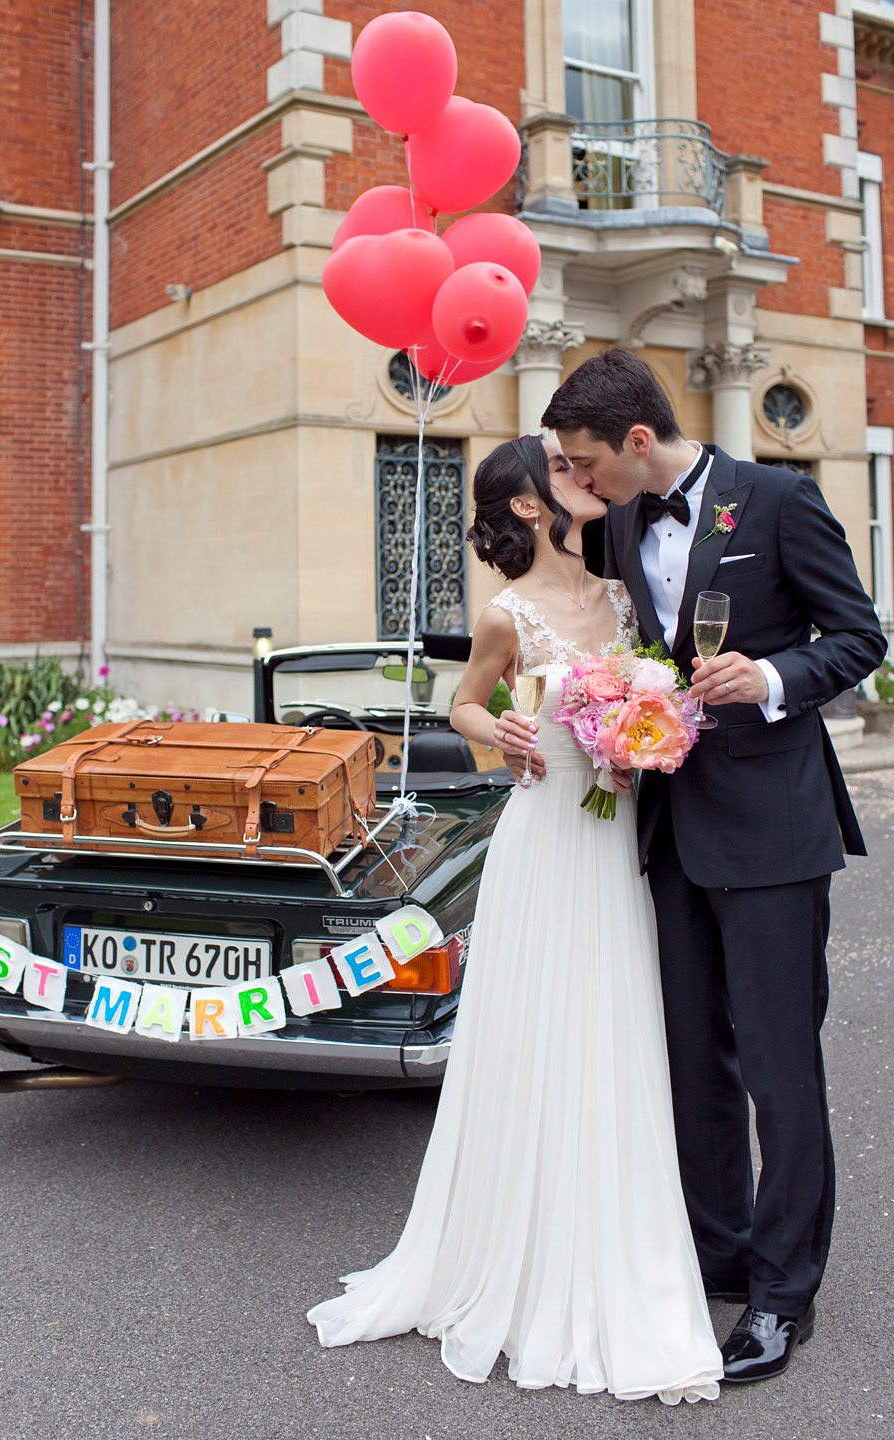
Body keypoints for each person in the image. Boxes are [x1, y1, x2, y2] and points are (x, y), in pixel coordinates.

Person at [308, 435, 723, 1405]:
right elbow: (460, 702)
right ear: (532, 507)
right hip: (543, 841)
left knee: (613, 1035)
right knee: (541, 1034)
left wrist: (643, 743)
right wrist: (498, 728)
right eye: (561, 468)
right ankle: (518, 1253)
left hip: (611, 835)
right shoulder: (506, 613)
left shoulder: (623, 595)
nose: (580, 472)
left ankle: (612, 1239)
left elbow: (644, 702)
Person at [537, 348, 887, 1384]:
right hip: (673, 828)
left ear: (639, 442)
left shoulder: (780, 499)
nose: (586, 482)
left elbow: (857, 637)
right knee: (694, 1061)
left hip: (776, 831)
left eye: (591, 461)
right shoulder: (633, 517)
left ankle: (785, 1296)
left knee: (781, 1069)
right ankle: (718, 1254)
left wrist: (773, 674)